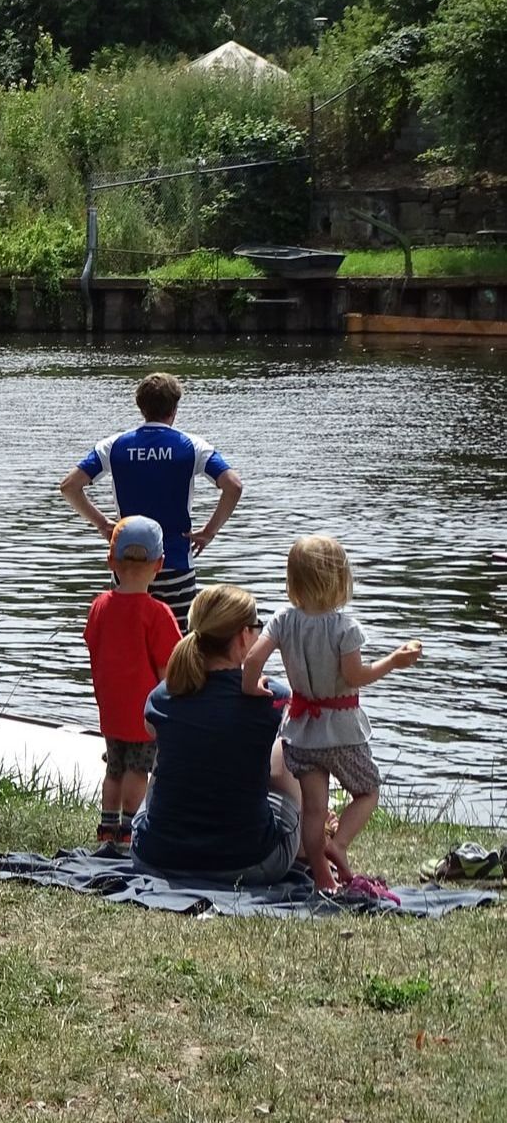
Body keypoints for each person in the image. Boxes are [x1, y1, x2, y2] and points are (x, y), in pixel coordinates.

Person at [242, 535, 422, 890]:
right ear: (340, 580)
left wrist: (250, 687)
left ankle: (323, 880)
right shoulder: (345, 627)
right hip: (341, 731)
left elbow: (252, 659)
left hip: (301, 731)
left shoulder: (283, 619)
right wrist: (392, 661)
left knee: (313, 808)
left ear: (292, 580)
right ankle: (337, 845)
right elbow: (356, 676)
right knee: (368, 790)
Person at [129, 585, 301, 886]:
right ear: (243, 636)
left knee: (166, 756)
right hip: (253, 863)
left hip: (155, 859)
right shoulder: (273, 697)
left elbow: (151, 730)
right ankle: (314, 841)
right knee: (289, 750)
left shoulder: (162, 696)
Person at [59, 372, 244, 628]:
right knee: (177, 649)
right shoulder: (192, 446)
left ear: (141, 407)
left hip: (128, 567)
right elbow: (233, 486)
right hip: (176, 562)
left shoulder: (114, 446)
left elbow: (69, 486)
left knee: (131, 641)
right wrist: (209, 532)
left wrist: (103, 525)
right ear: (174, 409)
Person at [82, 516, 181, 849]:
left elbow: (93, 644)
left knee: (114, 767)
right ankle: (129, 833)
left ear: (111, 560)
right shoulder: (158, 613)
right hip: (144, 711)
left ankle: (106, 830)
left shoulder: (99, 606)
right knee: (138, 771)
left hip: (110, 707)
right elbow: (169, 670)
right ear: (160, 564)